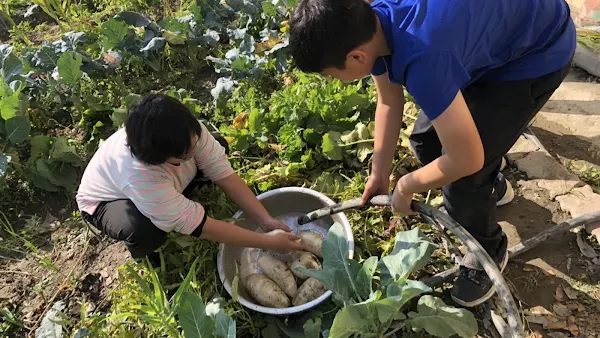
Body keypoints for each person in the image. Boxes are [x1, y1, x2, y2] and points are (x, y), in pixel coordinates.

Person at [289, 0, 575, 307]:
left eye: (331, 75)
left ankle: (488, 250)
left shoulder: (424, 61)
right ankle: (491, 183)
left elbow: (467, 159)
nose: (332, 80)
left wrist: (406, 185)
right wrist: (379, 172)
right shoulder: (370, 23)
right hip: (489, 37)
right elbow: (388, 101)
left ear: (355, 56)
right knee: (427, 143)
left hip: (535, 52)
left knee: (464, 179)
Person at [76, 94, 304, 266]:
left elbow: (223, 173)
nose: (194, 149)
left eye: (194, 143)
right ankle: (148, 255)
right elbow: (205, 229)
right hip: (107, 202)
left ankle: (172, 204)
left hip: (161, 184)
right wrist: (268, 243)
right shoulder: (139, 177)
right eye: (184, 155)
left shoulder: (184, 129)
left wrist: (264, 219)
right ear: (158, 159)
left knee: (217, 145)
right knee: (144, 230)